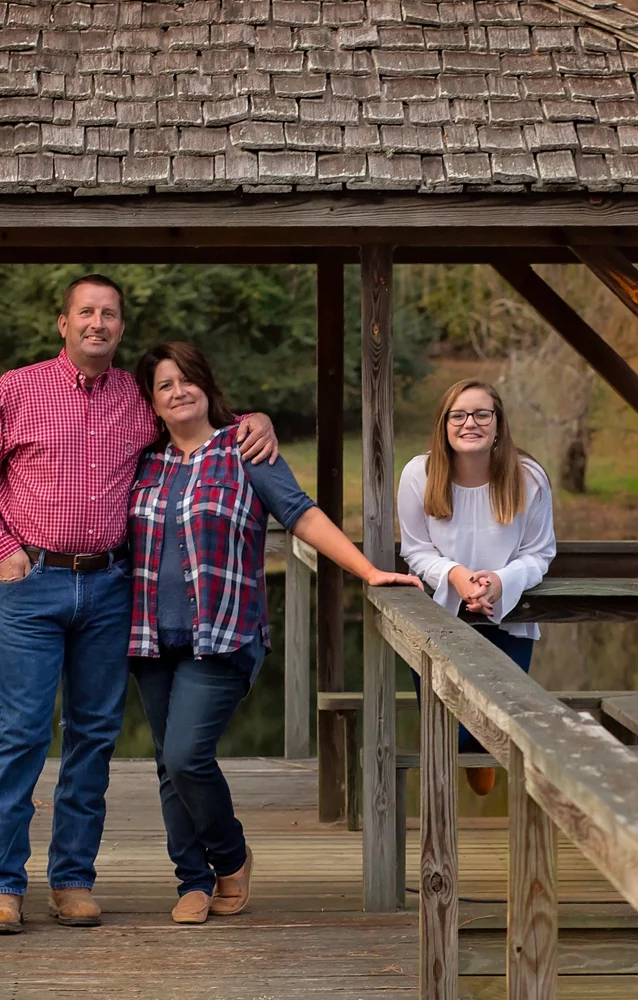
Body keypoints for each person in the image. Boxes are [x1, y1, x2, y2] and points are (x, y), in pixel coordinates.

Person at [0, 275, 279, 935]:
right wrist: (2, 549)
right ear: (63, 323)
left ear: (121, 327)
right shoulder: (16, 390)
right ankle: (2, 886)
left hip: (109, 588)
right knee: (20, 735)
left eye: (109, 314)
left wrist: (255, 421)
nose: (97, 323)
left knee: (93, 736)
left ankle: (72, 880)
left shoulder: (137, 396)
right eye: (86, 312)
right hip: (33, 582)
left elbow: (198, 418)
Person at [128, 343, 423, 924]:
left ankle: (230, 858)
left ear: (207, 386)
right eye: (164, 385)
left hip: (225, 633)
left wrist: (368, 571)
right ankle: (192, 881)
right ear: (152, 402)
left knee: (187, 756)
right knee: (168, 763)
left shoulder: (245, 450)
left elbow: (300, 514)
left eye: (187, 379)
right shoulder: (142, 462)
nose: (178, 392)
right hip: (150, 637)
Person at [396, 378, 556, 795]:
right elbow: (416, 551)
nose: (471, 423)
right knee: (449, 731)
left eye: (482, 414)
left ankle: (482, 752)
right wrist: (456, 576)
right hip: (439, 622)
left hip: (508, 621)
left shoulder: (529, 477)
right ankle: (465, 763)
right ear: (444, 425)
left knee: (497, 726)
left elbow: (539, 553)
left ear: (498, 423)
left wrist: (501, 582)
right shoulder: (419, 475)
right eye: (459, 415)